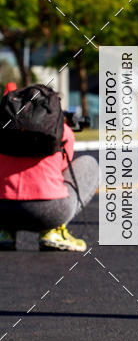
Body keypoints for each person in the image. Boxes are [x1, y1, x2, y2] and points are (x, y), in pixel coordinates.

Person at [0, 103, 98, 251]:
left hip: (4, 211)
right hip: (49, 213)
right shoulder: (61, 129)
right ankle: (53, 231)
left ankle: (5, 233)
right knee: (90, 164)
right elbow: (63, 170)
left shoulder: (3, 126)